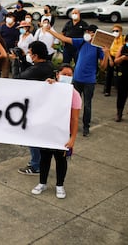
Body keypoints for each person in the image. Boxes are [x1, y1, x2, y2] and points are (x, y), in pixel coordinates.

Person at [47, 24, 109, 136]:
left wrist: (106, 54)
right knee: (71, 103)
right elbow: (65, 39)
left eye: (91, 32)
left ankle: (86, 127)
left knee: (87, 105)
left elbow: (103, 67)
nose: (88, 34)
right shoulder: (82, 42)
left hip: (89, 81)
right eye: (87, 32)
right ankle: (68, 125)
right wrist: (50, 31)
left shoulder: (99, 47)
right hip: (76, 79)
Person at [31, 63, 81, 199]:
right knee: (44, 158)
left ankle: (60, 185)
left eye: (70, 75)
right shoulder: (50, 88)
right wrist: (46, 85)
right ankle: (42, 183)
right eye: (64, 74)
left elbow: (75, 119)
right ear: (57, 75)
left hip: (63, 134)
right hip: (47, 132)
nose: (67, 77)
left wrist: (72, 139)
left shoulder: (74, 94)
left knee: (61, 160)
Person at [11, 41, 55, 175]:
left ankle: (36, 165)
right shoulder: (47, 65)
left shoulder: (38, 69)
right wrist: (23, 59)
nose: (29, 55)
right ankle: (38, 161)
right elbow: (30, 69)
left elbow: (17, 78)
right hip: (42, 107)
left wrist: (16, 62)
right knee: (36, 136)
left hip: (36, 108)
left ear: (36, 55)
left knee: (32, 137)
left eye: (30, 53)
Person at [104, 24, 125, 96]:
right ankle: (107, 90)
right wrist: (110, 59)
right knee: (109, 74)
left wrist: (120, 59)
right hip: (111, 57)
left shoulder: (124, 39)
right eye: (113, 31)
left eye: (117, 31)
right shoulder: (110, 39)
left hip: (120, 58)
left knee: (120, 75)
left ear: (121, 31)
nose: (115, 32)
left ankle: (120, 90)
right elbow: (107, 49)